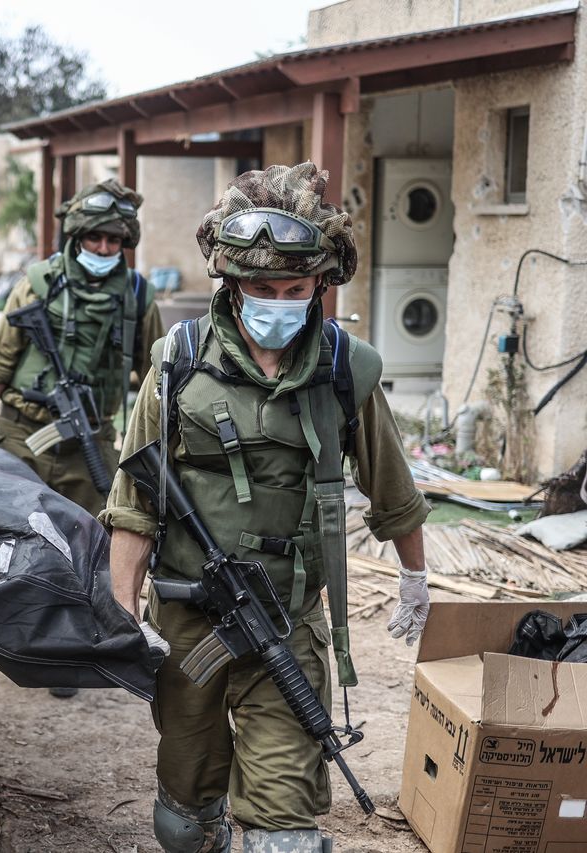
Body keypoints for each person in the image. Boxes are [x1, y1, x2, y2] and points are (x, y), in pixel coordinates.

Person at [101, 162, 431, 853]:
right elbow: (134, 499)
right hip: (189, 620)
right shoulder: (178, 361)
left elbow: (393, 488)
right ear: (230, 282)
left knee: (287, 831)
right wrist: (123, 607)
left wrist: (415, 576)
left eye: (294, 290)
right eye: (261, 288)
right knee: (183, 822)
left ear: (319, 286)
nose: (277, 303)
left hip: (286, 617)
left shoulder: (344, 368)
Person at [0, 179, 164, 517]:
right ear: (77, 236)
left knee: (97, 535)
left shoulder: (138, 297)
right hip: (23, 436)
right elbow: (0, 360)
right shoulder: (38, 284)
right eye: (94, 237)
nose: (103, 249)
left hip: (91, 441)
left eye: (113, 240)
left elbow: (156, 381)